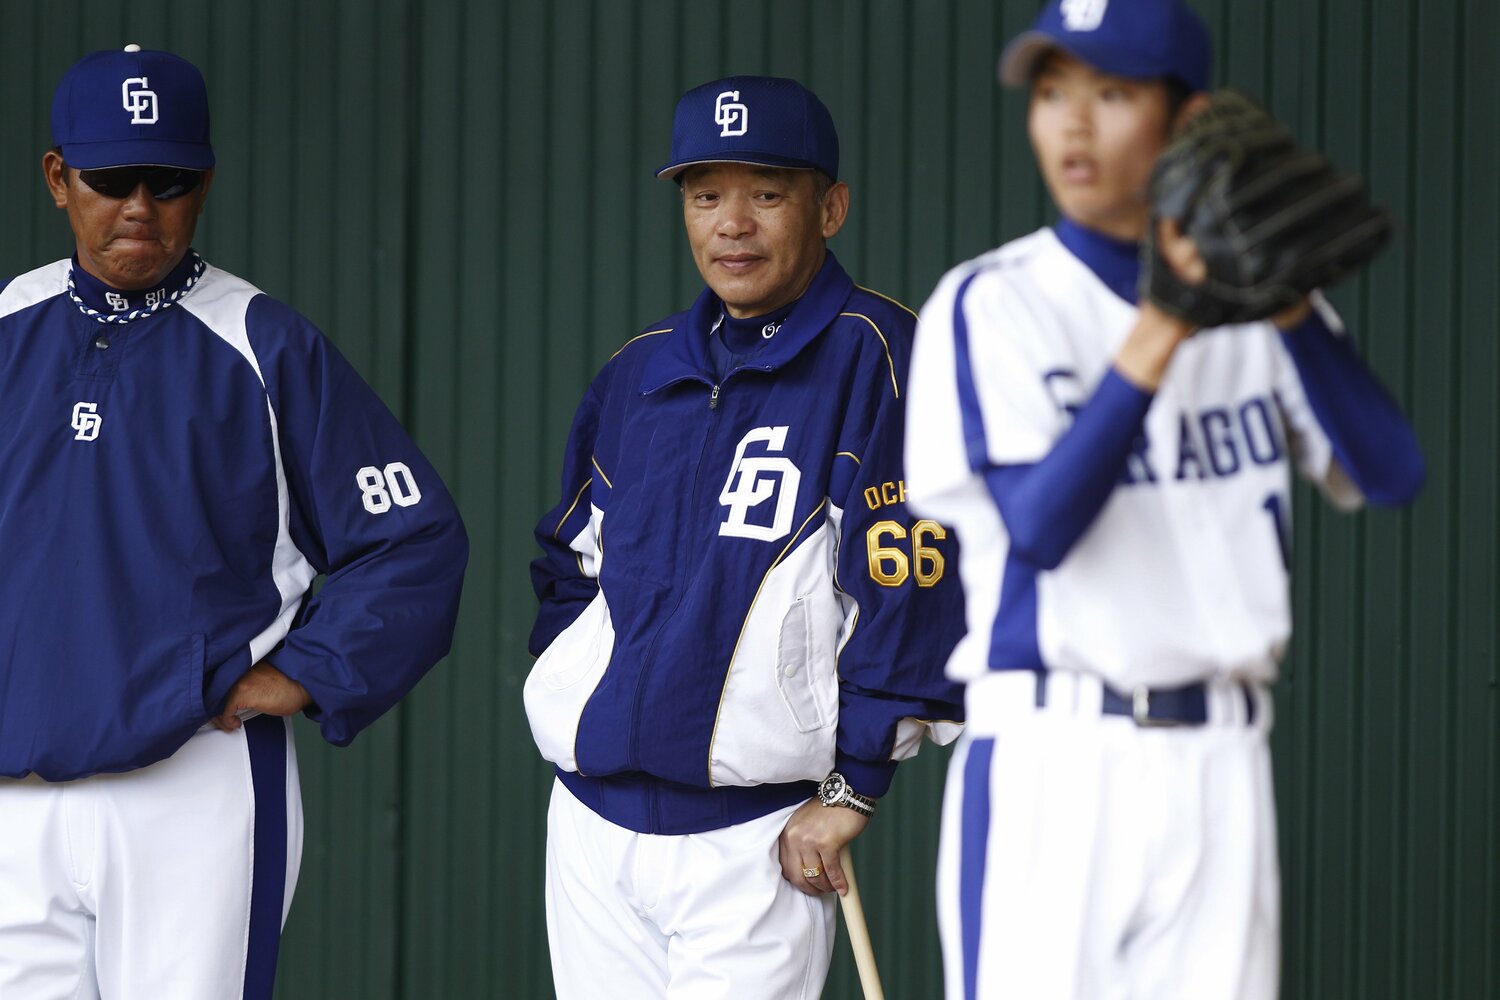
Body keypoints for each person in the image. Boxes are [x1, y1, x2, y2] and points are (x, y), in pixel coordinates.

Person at [904, 2, 1425, 998]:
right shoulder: (993, 301)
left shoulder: (1257, 303)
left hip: (1222, 758)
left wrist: (1291, 308)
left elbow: (1392, 471)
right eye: (1052, 92)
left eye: (1112, 92)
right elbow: (1041, 528)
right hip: (1056, 757)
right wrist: (1161, 332)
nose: (1072, 125)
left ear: (1186, 122)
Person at [0, 45, 467, 999]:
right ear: (59, 179)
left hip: (192, 777)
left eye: (167, 179)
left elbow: (412, 539)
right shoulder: (10, 323)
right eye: (111, 177)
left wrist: (303, 671)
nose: (139, 204)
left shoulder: (263, 342)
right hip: (14, 792)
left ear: (203, 184)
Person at [526, 75, 964, 999]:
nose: (733, 224)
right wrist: (581, 681)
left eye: (767, 194)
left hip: (759, 837)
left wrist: (853, 787)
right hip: (592, 826)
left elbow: (914, 583)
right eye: (705, 194)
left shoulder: (876, 354)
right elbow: (567, 562)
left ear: (830, 207)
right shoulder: (640, 369)